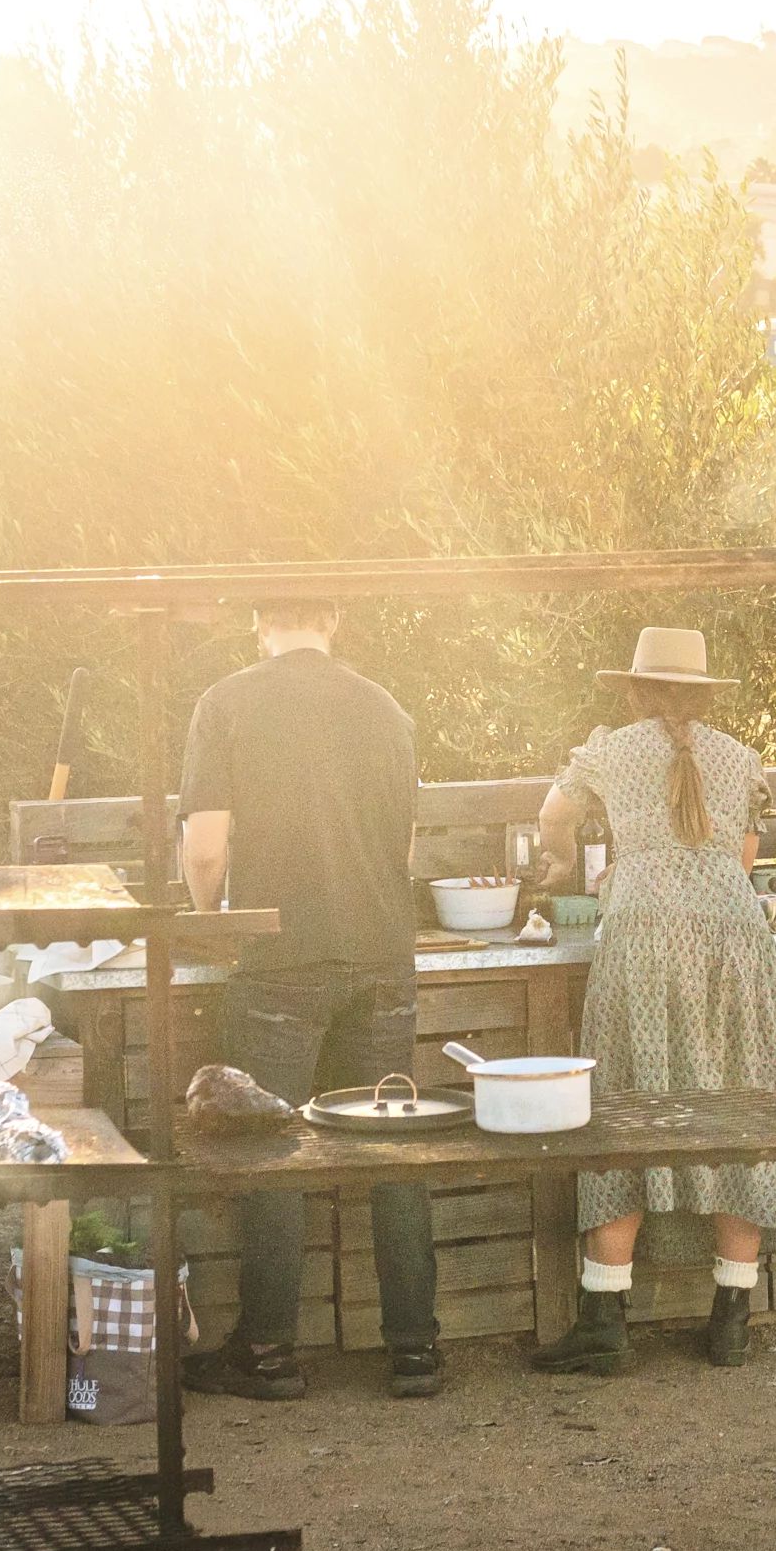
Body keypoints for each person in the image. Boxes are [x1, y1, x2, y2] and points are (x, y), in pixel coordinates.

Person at [522, 626, 776, 1375]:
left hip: (642, 942)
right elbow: (742, 861)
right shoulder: (739, 759)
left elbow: (553, 815)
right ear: (704, 693)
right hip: (732, 939)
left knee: (625, 1103)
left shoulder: (611, 750)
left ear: (633, 688)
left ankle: (605, 1318)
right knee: (740, 1109)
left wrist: (569, 866)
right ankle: (733, 1318)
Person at [177, 598, 437, 1399]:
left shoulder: (225, 703)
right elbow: (404, 844)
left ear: (260, 622)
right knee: (395, 1147)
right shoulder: (387, 709)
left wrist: (209, 920)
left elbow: (207, 845)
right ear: (335, 619)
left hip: (280, 955)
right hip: (383, 953)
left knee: (271, 1146)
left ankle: (267, 1353)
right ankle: (416, 1350)